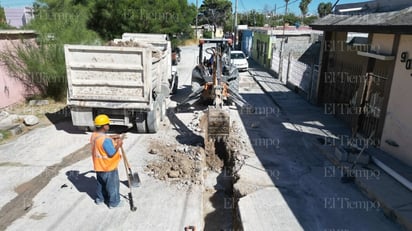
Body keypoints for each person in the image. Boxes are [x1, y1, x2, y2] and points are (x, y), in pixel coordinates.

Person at [90, 114, 123, 208]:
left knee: (100, 184)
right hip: (109, 167)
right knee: (113, 186)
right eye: (107, 124)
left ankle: (100, 199)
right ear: (104, 126)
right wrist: (118, 145)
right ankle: (114, 203)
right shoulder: (105, 140)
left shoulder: (94, 135)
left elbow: (100, 139)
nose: (108, 125)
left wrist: (112, 137)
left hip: (99, 166)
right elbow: (111, 153)